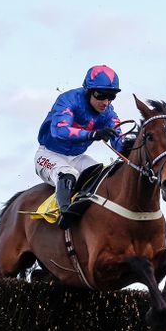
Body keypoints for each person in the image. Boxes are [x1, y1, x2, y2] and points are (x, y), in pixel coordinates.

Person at [35, 64, 124, 230]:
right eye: (101, 95)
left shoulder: (109, 113)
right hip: (49, 154)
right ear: (88, 91)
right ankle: (64, 213)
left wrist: (135, 145)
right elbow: (59, 130)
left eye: (111, 96)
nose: (106, 102)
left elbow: (119, 141)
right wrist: (92, 134)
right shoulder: (68, 100)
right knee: (69, 174)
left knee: (103, 174)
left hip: (77, 157)